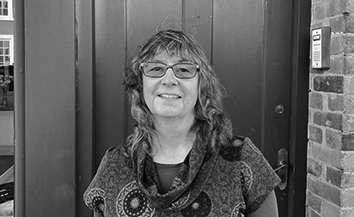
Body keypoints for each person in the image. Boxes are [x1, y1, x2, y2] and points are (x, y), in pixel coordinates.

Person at [84, 29, 280, 217]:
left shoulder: (241, 160)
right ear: (141, 83)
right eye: (156, 68)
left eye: (184, 69)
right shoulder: (114, 165)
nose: (169, 80)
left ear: (201, 85)